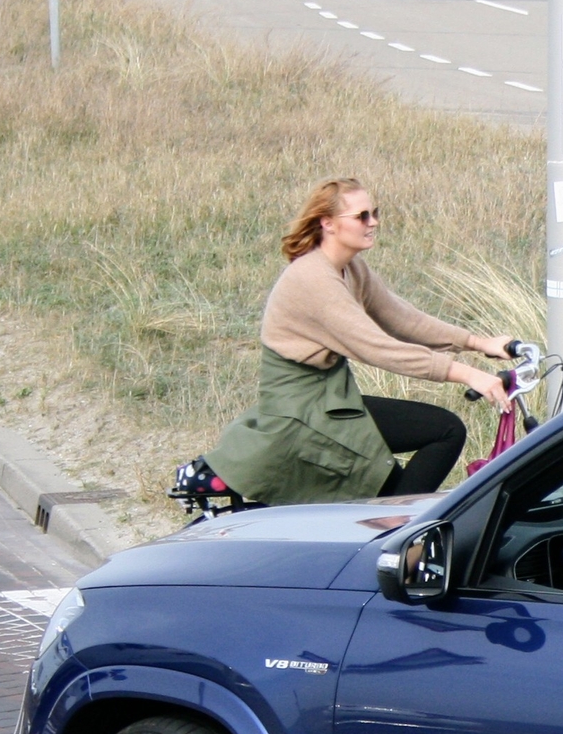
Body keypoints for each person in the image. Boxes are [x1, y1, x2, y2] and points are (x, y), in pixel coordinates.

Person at [203, 179, 514, 507]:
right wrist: (467, 374)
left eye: (375, 213)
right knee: (445, 430)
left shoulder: (350, 268)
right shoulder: (313, 279)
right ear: (328, 224)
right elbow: (375, 347)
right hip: (302, 410)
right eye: (362, 216)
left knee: (393, 486)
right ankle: (398, 536)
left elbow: (402, 319)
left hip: (333, 399)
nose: (374, 222)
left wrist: (479, 343)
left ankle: (388, 532)